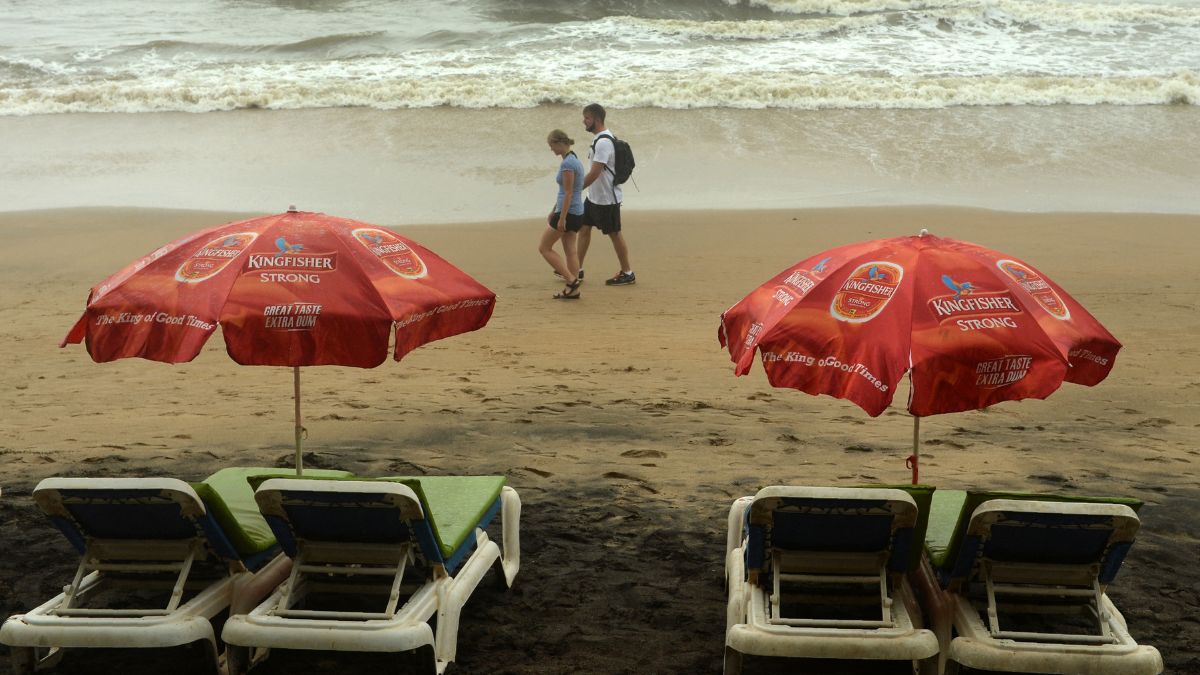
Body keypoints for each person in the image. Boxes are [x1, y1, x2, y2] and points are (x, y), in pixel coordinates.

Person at [578, 103, 635, 286]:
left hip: (606, 200)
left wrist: (574, 190)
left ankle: (627, 272)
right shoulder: (602, 138)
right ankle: (576, 268)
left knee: (615, 234)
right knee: (584, 229)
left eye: (586, 118)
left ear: (596, 119)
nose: (584, 121)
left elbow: (595, 173)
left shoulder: (603, 142)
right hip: (593, 197)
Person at [539, 129, 584, 300]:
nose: (551, 149)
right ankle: (573, 290)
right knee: (570, 251)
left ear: (559, 143)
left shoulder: (567, 164)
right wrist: (554, 210)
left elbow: (568, 192)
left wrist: (562, 218)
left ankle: (572, 280)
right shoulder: (574, 159)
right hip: (576, 212)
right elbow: (565, 191)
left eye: (551, 146)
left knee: (544, 248)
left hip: (569, 213)